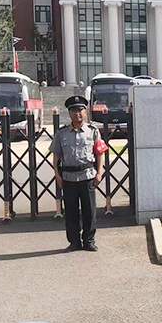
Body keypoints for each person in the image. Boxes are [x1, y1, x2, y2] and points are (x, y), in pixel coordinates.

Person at [50, 96, 107, 252]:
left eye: (80, 110)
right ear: (69, 113)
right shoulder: (61, 133)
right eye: (74, 111)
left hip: (87, 176)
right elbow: (56, 156)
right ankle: (74, 242)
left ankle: (89, 241)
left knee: (89, 211)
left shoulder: (93, 131)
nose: (78, 114)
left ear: (85, 111)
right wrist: (57, 174)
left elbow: (99, 153)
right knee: (71, 212)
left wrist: (99, 172)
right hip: (68, 178)